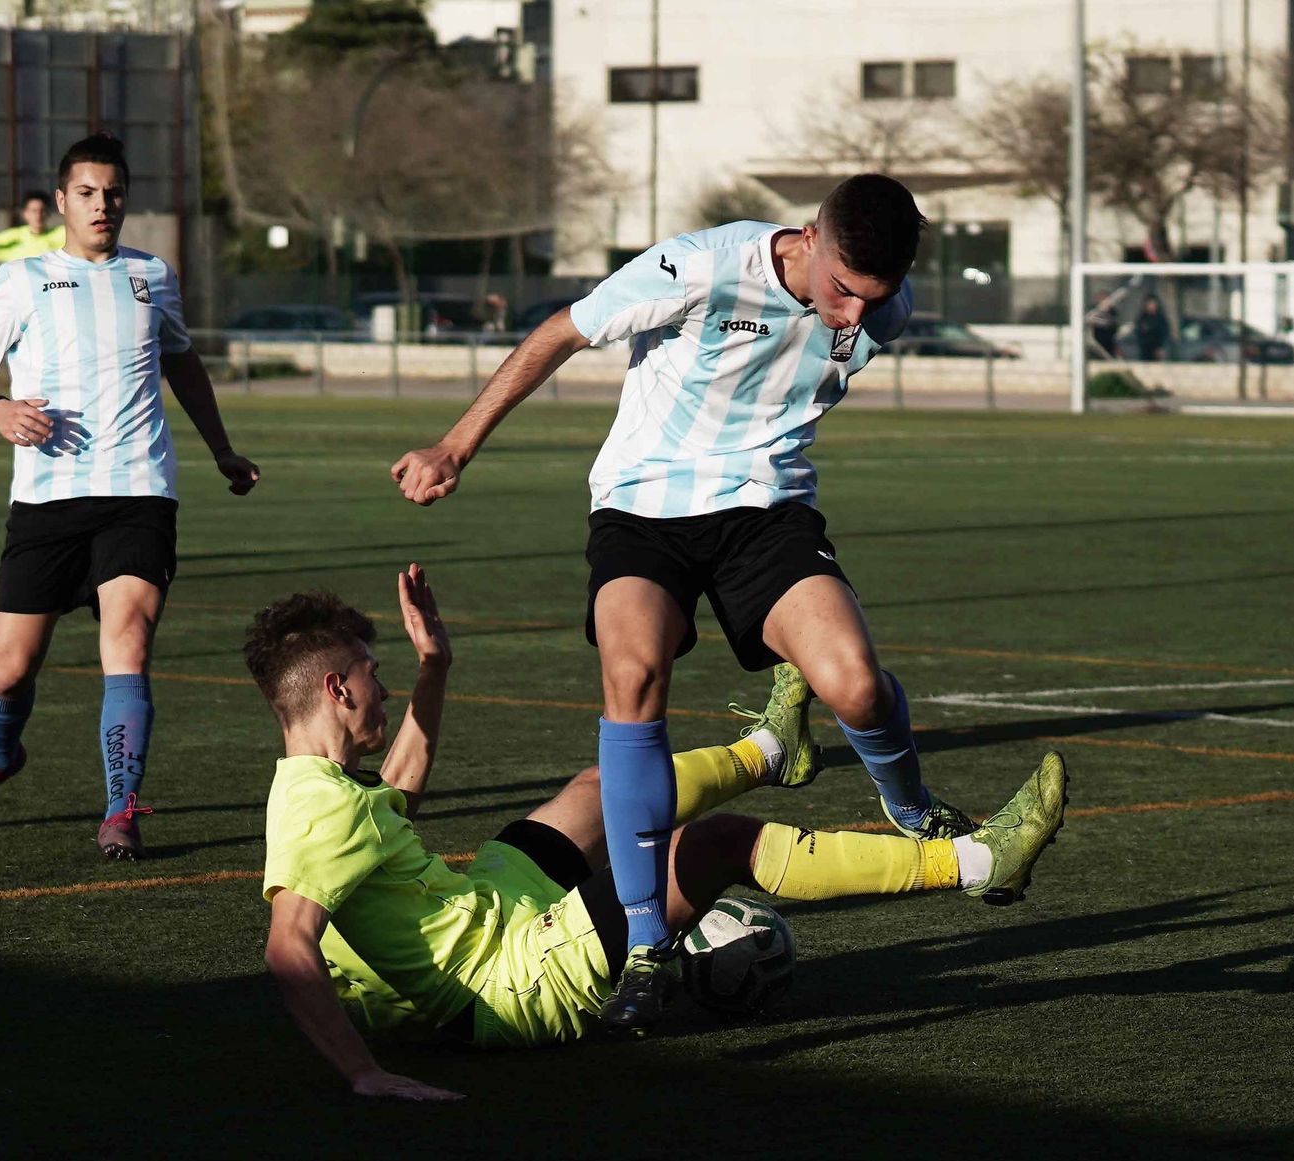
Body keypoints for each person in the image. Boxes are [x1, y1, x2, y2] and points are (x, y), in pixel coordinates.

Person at [390, 174, 976, 1032]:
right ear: (809, 237)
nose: (853, 314)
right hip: (643, 507)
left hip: (766, 512)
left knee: (854, 684)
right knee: (633, 676)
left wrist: (864, 305)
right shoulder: (701, 266)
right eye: (843, 288)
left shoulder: (886, 307)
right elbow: (562, 330)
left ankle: (912, 804)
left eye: (873, 298)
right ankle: (644, 941)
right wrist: (454, 446)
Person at [253, 567, 1068, 1097]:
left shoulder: (325, 787)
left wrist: (436, 668)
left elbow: (397, 791)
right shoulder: (315, 810)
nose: (383, 688)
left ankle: (771, 751)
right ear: (337, 689)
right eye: (374, 675)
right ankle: (975, 860)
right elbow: (288, 945)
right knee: (710, 846)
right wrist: (363, 1073)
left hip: (484, 908)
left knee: (601, 789)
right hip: (507, 979)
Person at [0, 132, 261, 858]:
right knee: (11, 670)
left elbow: (182, 362)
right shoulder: (22, 278)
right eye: (86, 193)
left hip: (140, 490)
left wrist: (221, 448)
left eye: (113, 193)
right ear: (62, 201)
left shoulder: (153, 275)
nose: (102, 204)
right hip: (48, 498)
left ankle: (121, 810)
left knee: (129, 641)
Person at [0, 189, 66, 263]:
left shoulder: (60, 233)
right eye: (34, 211)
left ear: (47, 213)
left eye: (42, 211)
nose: (38, 215)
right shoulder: (14, 237)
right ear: (25, 214)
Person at [1133, 294, 1170, 362]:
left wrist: (1161, 347)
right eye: (1149, 304)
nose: (1151, 306)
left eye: (1152, 304)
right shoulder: (1142, 318)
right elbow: (1138, 333)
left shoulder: (1160, 319)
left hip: (1157, 348)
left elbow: (1164, 334)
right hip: (1144, 349)